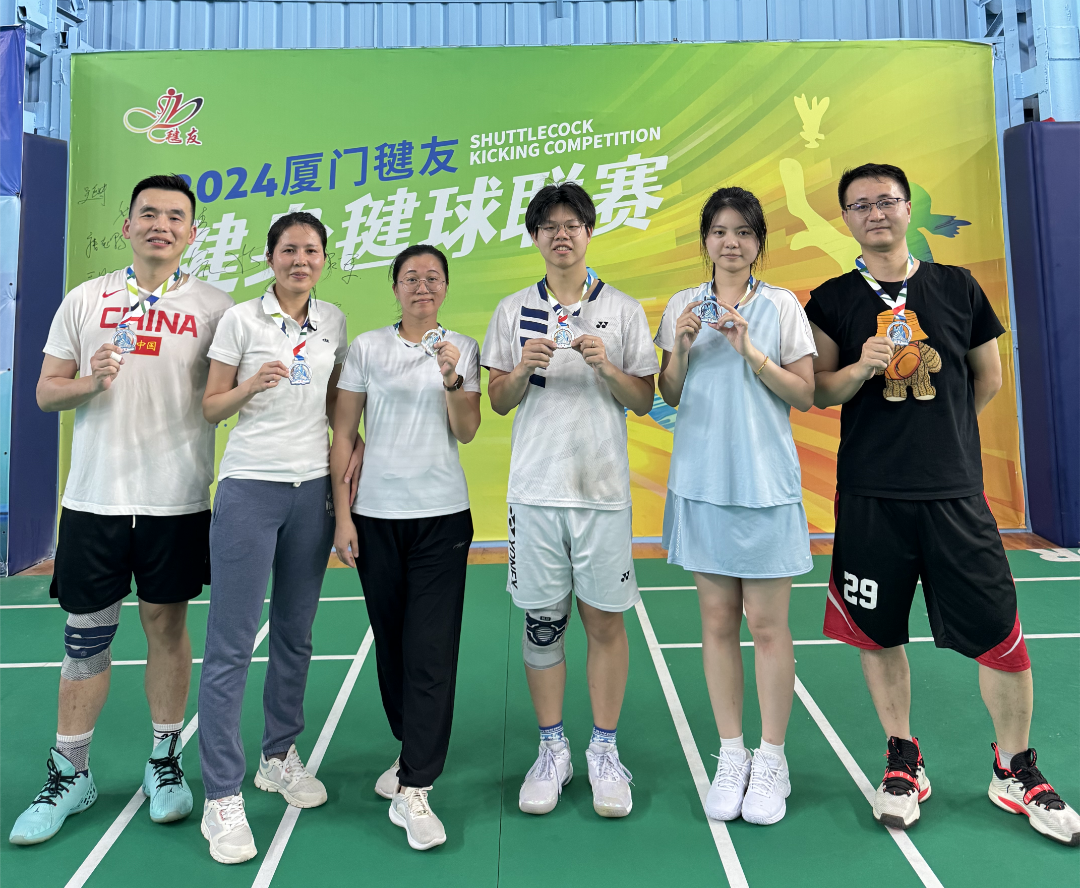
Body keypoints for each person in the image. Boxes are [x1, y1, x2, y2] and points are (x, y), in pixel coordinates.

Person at [805, 162, 1080, 844]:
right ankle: (903, 759)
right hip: (870, 494)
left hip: (954, 492)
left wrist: (943, 436)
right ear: (847, 219)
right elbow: (819, 391)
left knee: (1000, 633)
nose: (876, 213)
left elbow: (987, 378)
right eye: (861, 205)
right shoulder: (832, 298)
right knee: (879, 634)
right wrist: (862, 367)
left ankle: (1015, 768)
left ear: (907, 209)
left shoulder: (957, 286)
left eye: (886, 200)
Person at [10, 175, 234, 846]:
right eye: (149, 214)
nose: (161, 224)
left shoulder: (217, 308)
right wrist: (92, 380)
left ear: (192, 232)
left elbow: (228, 395)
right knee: (85, 638)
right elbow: (46, 392)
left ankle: (164, 762)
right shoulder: (86, 300)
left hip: (176, 499)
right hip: (95, 499)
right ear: (127, 225)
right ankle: (70, 773)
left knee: (167, 628)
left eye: (175, 216)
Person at [481, 182, 659, 819]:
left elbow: (644, 400)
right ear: (535, 237)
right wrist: (521, 369)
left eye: (572, 224)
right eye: (549, 226)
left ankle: (604, 750)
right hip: (534, 494)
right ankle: (551, 748)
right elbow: (497, 401)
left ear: (589, 232)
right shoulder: (511, 310)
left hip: (602, 493)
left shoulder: (624, 310)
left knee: (605, 623)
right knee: (543, 622)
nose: (562, 235)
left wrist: (607, 367)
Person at [655, 187, 816, 826]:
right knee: (717, 621)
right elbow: (669, 392)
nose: (731, 242)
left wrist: (751, 351)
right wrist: (682, 348)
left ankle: (771, 758)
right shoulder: (682, 305)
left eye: (744, 232)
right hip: (702, 481)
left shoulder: (781, 307)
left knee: (768, 626)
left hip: (764, 482)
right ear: (706, 240)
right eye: (720, 231)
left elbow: (803, 394)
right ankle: (731, 753)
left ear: (758, 243)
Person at [196, 211, 349, 864]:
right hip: (249, 489)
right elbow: (210, 406)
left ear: (323, 260)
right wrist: (249, 385)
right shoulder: (241, 320)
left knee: (295, 633)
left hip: (311, 491)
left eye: (311, 250)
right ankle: (221, 794)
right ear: (270, 257)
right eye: (289, 249)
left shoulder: (333, 320)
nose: (300, 260)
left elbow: (337, 403)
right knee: (231, 643)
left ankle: (278, 755)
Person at [331, 244, 481, 852]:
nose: (423, 286)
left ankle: (417, 786)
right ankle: (410, 748)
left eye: (433, 278)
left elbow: (467, 430)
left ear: (445, 287)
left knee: (430, 650)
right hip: (376, 519)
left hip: (442, 518)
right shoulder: (368, 348)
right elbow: (344, 433)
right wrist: (343, 516)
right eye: (411, 277)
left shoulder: (461, 348)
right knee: (392, 649)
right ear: (395, 287)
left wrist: (452, 378)